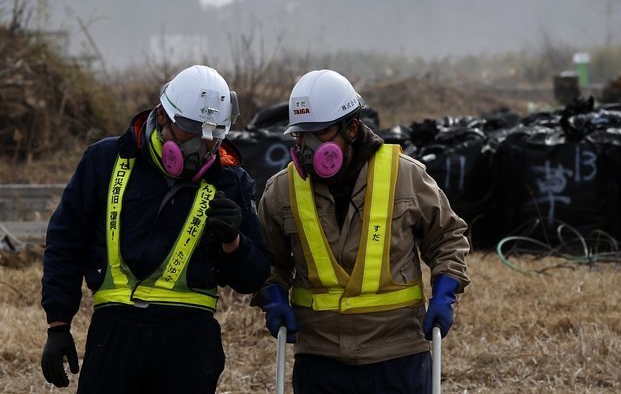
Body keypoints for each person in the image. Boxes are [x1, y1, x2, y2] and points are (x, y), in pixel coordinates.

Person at [40, 64, 271, 393]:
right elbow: (66, 241)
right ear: (162, 116)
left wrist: (234, 243)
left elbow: (254, 276)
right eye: (190, 129)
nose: (202, 146)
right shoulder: (106, 160)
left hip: (189, 343)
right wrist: (58, 323)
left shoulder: (230, 182)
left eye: (214, 135)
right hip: (114, 335)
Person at [253, 69, 470, 394]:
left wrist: (444, 294)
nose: (306, 146)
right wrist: (272, 298)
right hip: (319, 356)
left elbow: (448, 237)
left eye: (319, 133)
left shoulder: (404, 176)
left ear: (351, 128)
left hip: (397, 354)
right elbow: (267, 257)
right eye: (299, 135)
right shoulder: (282, 190)